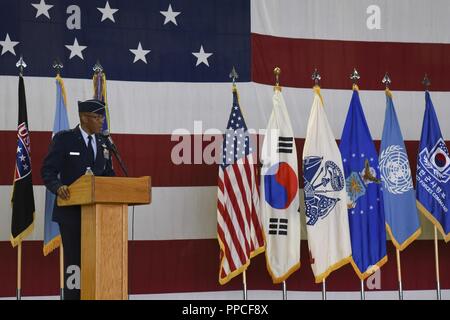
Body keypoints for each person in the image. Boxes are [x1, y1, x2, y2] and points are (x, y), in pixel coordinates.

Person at [41, 99, 115, 300]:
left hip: (98, 215)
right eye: (97, 117)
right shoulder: (64, 140)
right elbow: (48, 171)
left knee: (97, 261)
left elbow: (109, 175)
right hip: (71, 214)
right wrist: (58, 187)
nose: (101, 121)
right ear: (83, 117)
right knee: (74, 263)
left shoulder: (103, 142)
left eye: (102, 117)